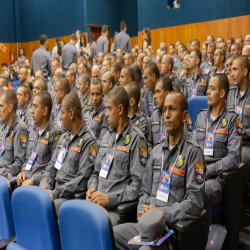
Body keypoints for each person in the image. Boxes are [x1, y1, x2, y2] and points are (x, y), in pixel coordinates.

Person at [113, 91, 205, 250]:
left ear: (184, 116)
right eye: (164, 110)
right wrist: (144, 214)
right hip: (147, 225)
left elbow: (195, 202)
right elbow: (144, 191)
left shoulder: (193, 152)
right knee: (108, 234)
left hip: (170, 231)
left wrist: (160, 214)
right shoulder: (156, 151)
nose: (167, 115)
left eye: (172, 109)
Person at [87, 86, 148, 226]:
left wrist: (109, 199)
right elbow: (95, 173)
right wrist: (92, 188)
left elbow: (137, 186)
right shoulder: (107, 136)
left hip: (116, 211)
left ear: (120, 109)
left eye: (109, 108)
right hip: (95, 204)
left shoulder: (136, 140)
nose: (106, 114)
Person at [193, 73, 241, 223]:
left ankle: (201, 239)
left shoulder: (233, 120)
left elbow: (234, 158)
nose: (207, 92)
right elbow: (193, 148)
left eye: (212, 88)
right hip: (197, 173)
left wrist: (209, 171)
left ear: (222, 93)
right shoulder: (201, 117)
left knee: (200, 192)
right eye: (207, 88)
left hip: (218, 179)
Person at [39, 93, 98, 214]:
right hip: (55, 193)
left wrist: (55, 192)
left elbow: (81, 180)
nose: (60, 117)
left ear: (71, 114)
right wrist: (45, 185)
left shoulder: (89, 141)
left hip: (69, 198)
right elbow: (51, 167)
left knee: (41, 209)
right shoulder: (64, 137)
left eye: (62, 112)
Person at [16, 91, 62, 186]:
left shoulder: (55, 133)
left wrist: (33, 180)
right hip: (26, 180)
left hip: (40, 184)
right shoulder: (33, 130)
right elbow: (27, 158)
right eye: (32, 106)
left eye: (35, 107)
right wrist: (23, 171)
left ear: (44, 110)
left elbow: (54, 168)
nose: (31, 110)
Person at [0, 90, 28, 178]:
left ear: (9, 108)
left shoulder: (20, 128)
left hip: (9, 178)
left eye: (1, 106)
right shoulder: (3, 125)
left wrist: (2, 171)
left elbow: (19, 164)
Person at [229, 56, 250, 164]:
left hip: (246, 144)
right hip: (229, 142)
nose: (232, 74)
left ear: (245, 71)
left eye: (235, 69)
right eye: (231, 70)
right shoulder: (229, 92)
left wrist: (245, 132)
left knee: (238, 157)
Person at [148, 77, 173, 151]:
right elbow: (149, 142)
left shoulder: (177, 115)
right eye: (155, 92)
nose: (155, 96)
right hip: (156, 159)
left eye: (158, 92)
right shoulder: (154, 115)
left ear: (167, 94)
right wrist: (151, 152)